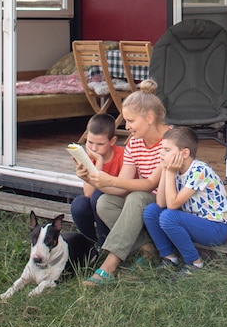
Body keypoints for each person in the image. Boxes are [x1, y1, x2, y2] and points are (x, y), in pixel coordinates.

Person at [76, 79, 168, 286]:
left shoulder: (171, 141)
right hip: (144, 202)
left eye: (131, 121)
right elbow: (121, 186)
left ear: (150, 118)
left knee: (136, 196)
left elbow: (149, 184)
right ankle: (147, 248)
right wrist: (90, 178)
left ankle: (109, 265)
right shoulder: (134, 143)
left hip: (168, 202)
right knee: (104, 202)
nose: (126, 126)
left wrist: (109, 179)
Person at [142, 126, 227, 272]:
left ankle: (194, 262)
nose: (161, 153)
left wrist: (169, 172)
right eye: (161, 149)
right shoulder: (174, 169)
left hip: (215, 228)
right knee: (151, 211)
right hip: (193, 222)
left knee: (168, 216)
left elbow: (172, 206)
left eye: (167, 150)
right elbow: (161, 203)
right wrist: (165, 170)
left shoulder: (199, 170)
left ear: (184, 153)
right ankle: (169, 257)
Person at [69, 113, 125, 250]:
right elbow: (87, 193)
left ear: (112, 141)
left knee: (98, 196)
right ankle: (88, 243)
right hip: (95, 200)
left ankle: (104, 242)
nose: (93, 148)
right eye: (90, 142)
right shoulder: (89, 157)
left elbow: (123, 189)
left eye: (100, 144)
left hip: (116, 204)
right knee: (79, 204)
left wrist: (99, 162)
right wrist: (95, 164)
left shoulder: (122, 156)